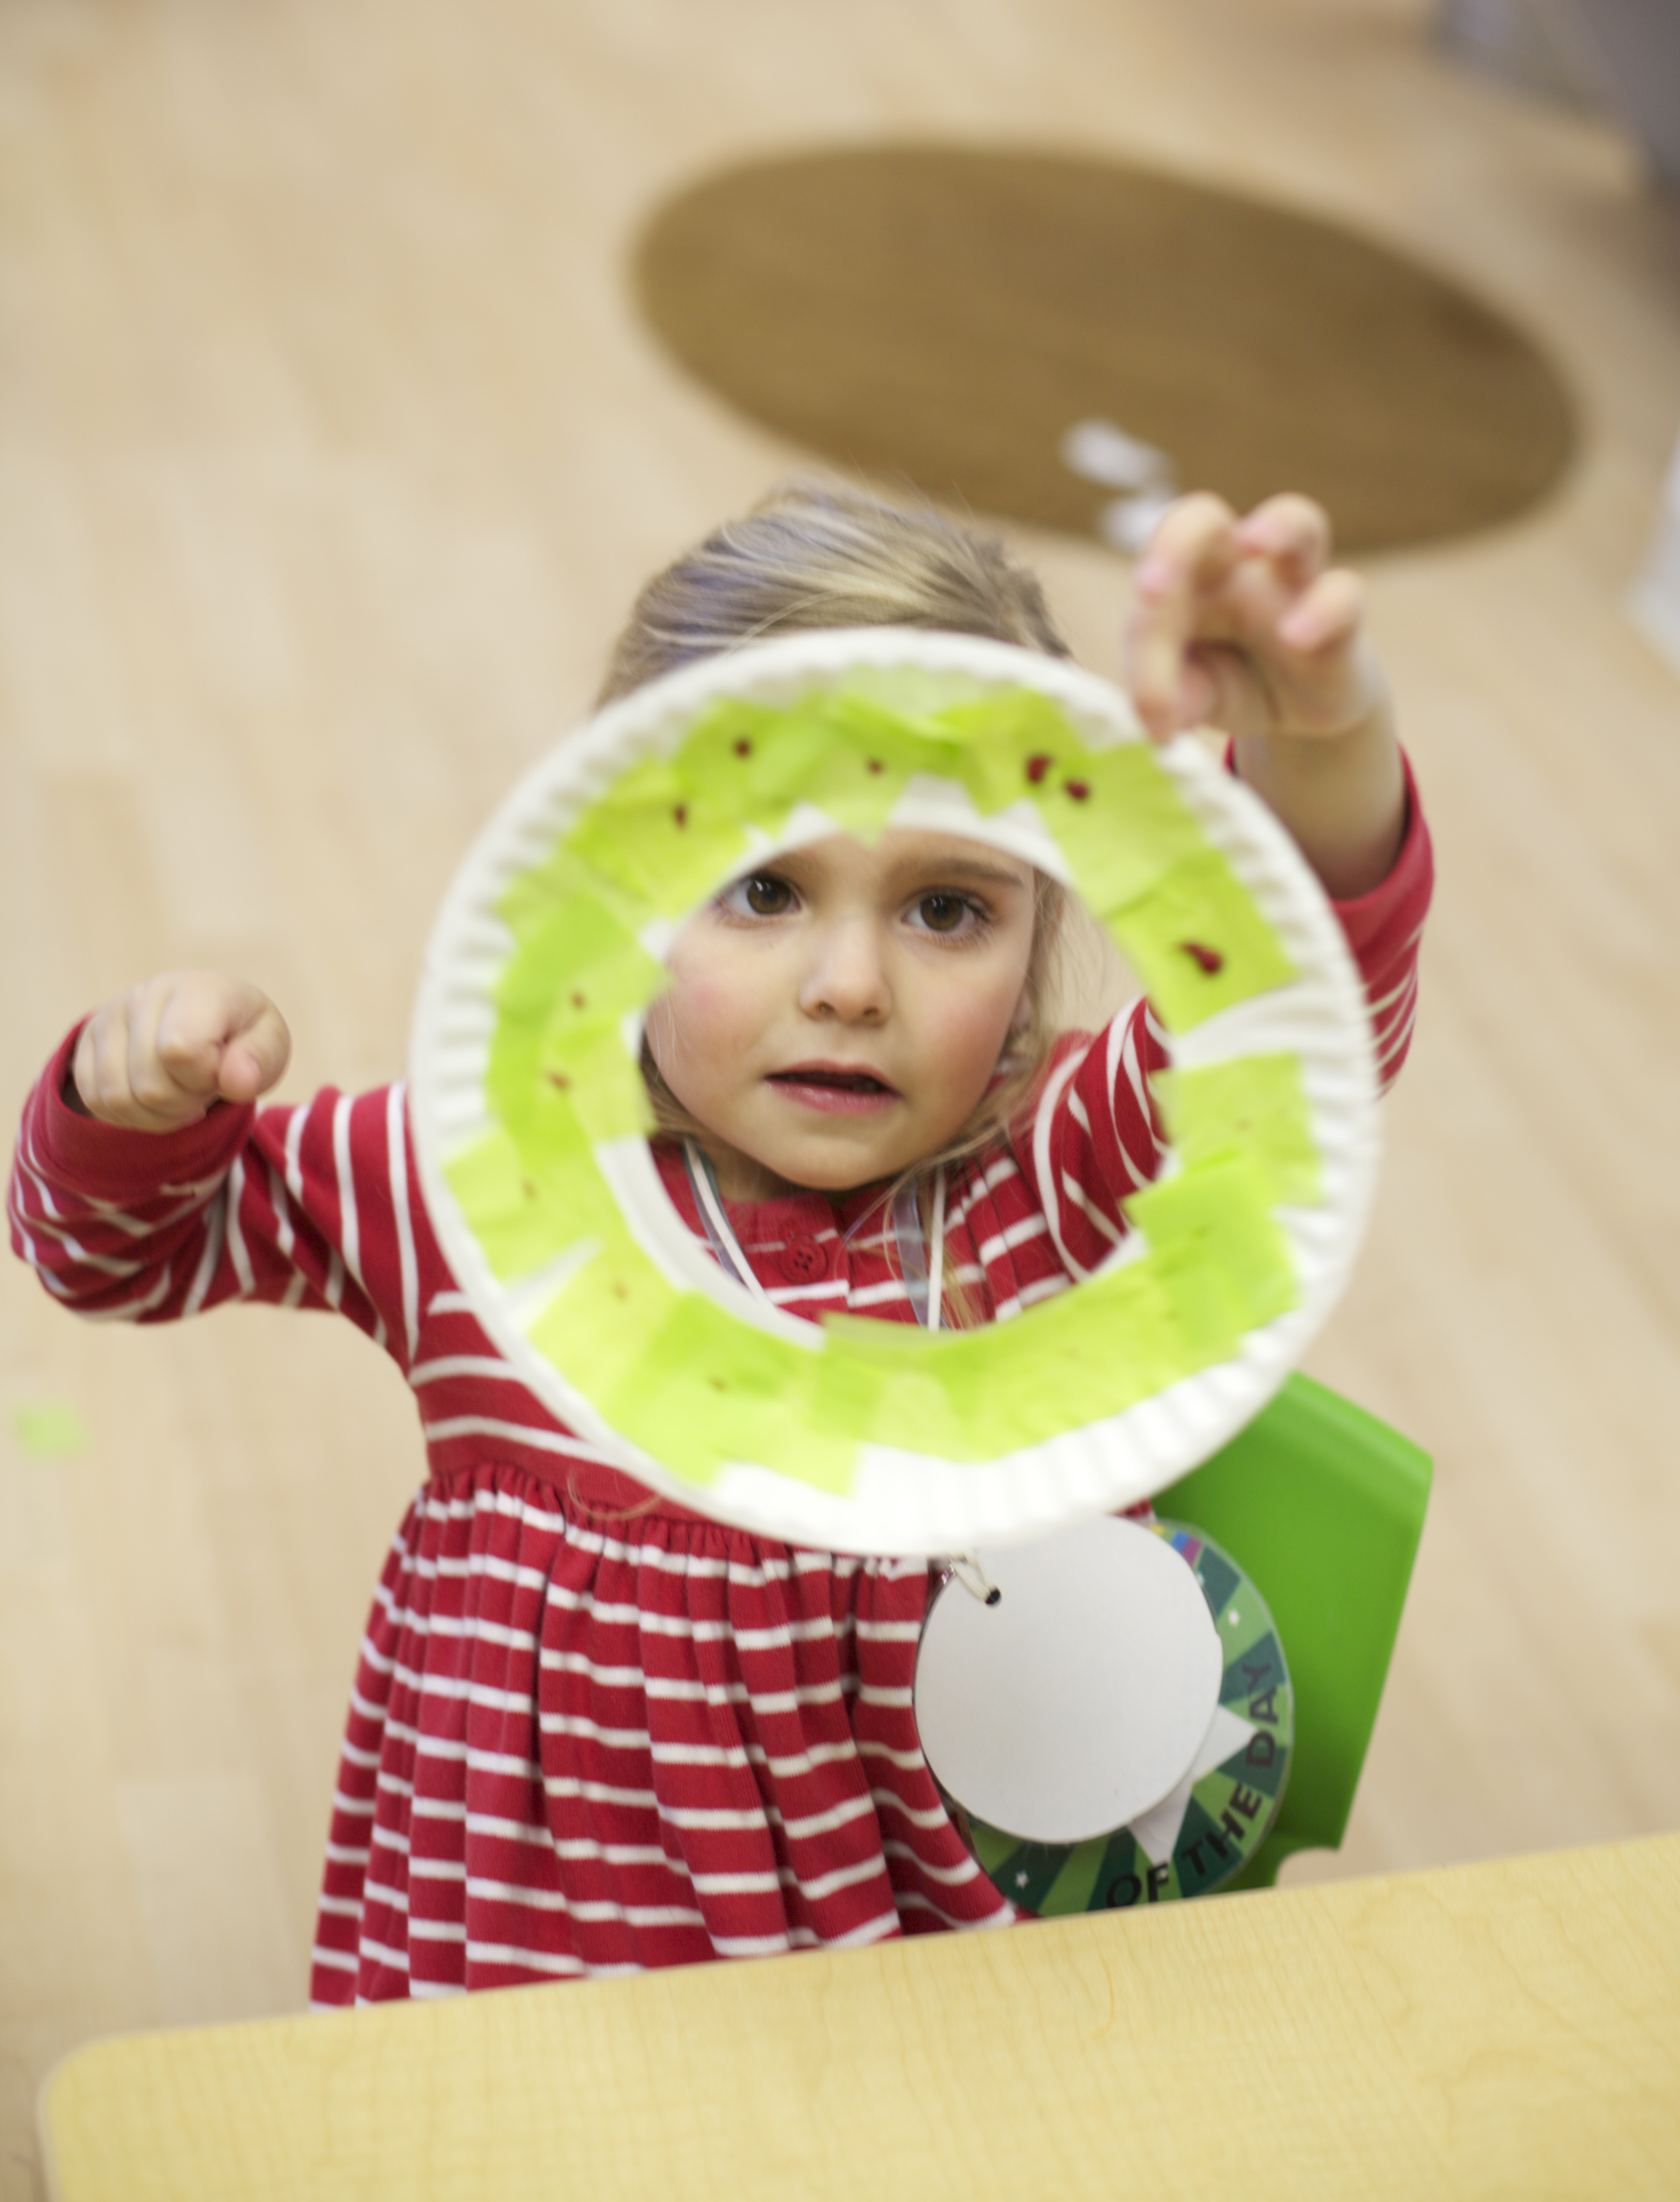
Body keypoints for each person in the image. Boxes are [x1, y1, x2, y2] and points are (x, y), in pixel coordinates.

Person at [8, 479, 1431, 2004]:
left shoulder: (1053, 1173)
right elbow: (114, 1251)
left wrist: (1322, 738)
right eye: (764, 886)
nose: (850, 982)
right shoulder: (482, 1173)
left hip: (944, 2015)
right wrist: (127, 1096)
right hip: (529, 1988)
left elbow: (1300, 1018)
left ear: (1038, 934)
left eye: (948, 908)